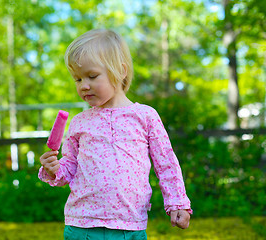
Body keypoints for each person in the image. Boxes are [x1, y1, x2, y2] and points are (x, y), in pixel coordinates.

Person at [39, 29, 192, 240]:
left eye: (92, 76)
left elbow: (166, 163)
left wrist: (177, 202)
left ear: (120, 71)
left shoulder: (145, 116)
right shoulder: (78, 123)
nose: (84, 85)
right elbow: (70, 167)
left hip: (129, 225)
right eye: (77, 79)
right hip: (82, 225)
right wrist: (55, 169)